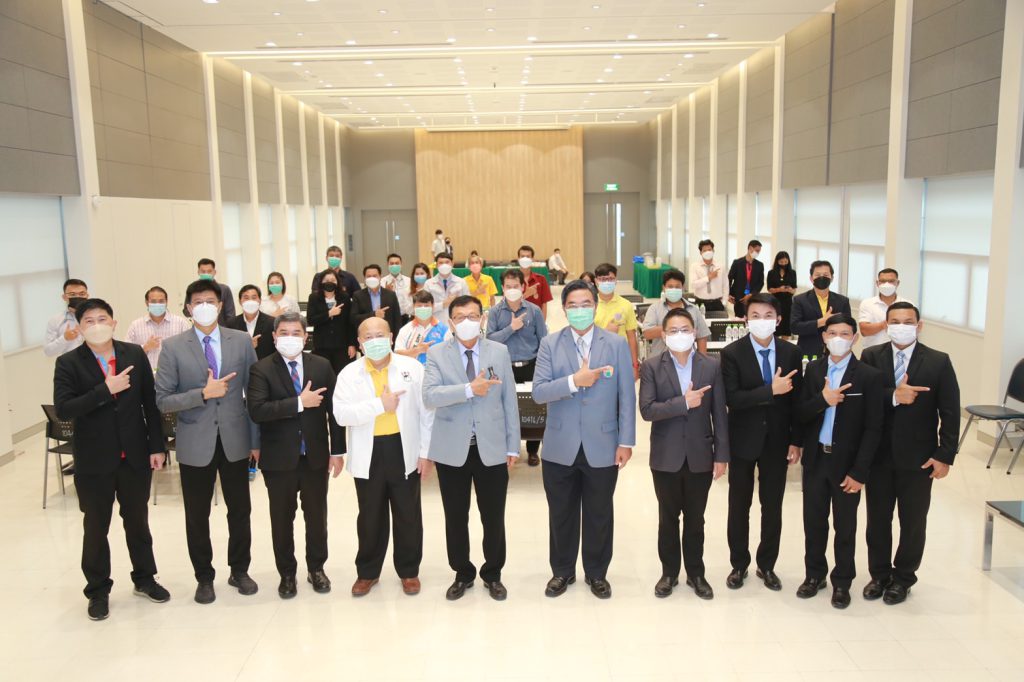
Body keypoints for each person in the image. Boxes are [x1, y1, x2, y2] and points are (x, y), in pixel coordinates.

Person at [53, 298, 169, 621]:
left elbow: (150, 403)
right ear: (79, 328)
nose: (96, 325)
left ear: (114, 323)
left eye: (102, 319)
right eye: (89, 321)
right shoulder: (68, 363)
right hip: (94, 460)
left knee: (138, 522)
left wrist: (156, 447)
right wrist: (105, 389)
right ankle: (97, 590)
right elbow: (64, 409)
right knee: (96, 527)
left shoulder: (133, 354)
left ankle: (145, 579)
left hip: (134, 456)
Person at [155, 279, 260, 605]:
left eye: (210, 301)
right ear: (188, 308)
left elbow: (255, 393)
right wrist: (202, 393)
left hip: (235, 439)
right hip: (195, 442)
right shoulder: (173, 347)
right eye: (197, 302)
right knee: (197, 515)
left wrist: (256, 440)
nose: (204, 307)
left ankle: (239, 570)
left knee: (240, 511)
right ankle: (204, 577)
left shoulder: (240, 341)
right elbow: (163, 400)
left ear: (220, 305)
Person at [532, 279, 636, 600]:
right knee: (561, 513)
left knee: (599, 513)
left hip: (603, 444)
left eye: (585, 304)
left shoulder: (615, 344)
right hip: (559, 446)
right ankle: (562, 571)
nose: (579, 310)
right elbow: (539, 392)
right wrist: (573, 381)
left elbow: (626, 396)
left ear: (595, 306)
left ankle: (597, 573)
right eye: (573, 305)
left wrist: (626, 441)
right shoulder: (550, 344)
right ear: (564, 310)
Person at [861, 302, 960, 605]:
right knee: (877, 519)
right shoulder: (871, 356)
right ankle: (879, 575)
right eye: (895, 321)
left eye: (907, 322)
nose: (901, 327)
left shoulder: (938, 361)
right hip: (878, 455)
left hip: (919, 458)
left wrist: (944, 455)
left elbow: (950, 411)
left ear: (919, 325)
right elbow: (864, 400)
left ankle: (903, 578)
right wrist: (893, 395)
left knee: (913, 521)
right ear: (886, 324)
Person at [423, 296, 520, 602]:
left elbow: (509, 400)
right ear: (450, 323)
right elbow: (430, 396)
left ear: (482, 319)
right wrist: (468, 389)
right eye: (460, 316)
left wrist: (513, 445)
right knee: (455, 516)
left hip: (491, 446)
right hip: (452, 448)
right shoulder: (437, 353)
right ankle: (462, 572)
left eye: (473, 315)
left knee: (493, 516)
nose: (467, 321)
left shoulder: (498, 351)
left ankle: (493, 573)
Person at [247, 313, 346, 599]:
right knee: (281, 519)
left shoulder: (321, 365)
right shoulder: (261, 368)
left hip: (315, 457)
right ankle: (287, 574)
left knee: (317, 517)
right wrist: (298, 403)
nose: (289, 338)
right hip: (278, 459)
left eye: (296, 333)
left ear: (305, 337)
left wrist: (337, 451)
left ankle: (317, 568)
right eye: (283, 332)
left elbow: (335, 412)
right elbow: (257, 410)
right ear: (274, 336)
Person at [334, 317, 433, 598]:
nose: (375, 340)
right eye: (368, 337)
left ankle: (409, 571)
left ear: (391, 337)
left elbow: (427, 413)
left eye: (380, 335)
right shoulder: (349, 374)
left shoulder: (412, 368)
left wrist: (425, 453)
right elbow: (341, 414)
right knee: (370, 516)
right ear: (359, 342)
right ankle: (368, 572)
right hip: (369, 451)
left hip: (404, 447)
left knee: (408, 513)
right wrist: (380, 405)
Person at [639, 307, 729, 600]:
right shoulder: (652, 366)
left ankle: (696, 573)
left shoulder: (710, 365)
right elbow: (647, 410)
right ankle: (669, 573)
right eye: (673, 331)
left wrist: (721, 455)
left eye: (685, 330)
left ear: (695, 332)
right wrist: (683, 402)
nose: (680, 335)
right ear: (664, 336)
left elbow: (719, 414)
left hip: (700, 454)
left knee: (695, 519)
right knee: (668, 518)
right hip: (665, 456)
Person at [796, 313, 883, 609]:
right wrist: (823, 400)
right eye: (832, 333)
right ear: (823, 337)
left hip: (847, 464)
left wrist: (860, 472)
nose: (838, 339)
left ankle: (842, 582)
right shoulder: (813, 370)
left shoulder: (869, 376)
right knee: (813, 522)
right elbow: (801, 413)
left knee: (845, 526)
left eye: (845, 334)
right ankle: (814, 575)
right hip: (816, 458)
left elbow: (874, 428)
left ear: (854, 338)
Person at [721, 293, 804, 592]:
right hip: (742, 439)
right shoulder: (732, 353)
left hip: (778, 441)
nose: (761, 321)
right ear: (745, 319)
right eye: (755, 315)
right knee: (738, 505)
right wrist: (771, 390)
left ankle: (766, 565)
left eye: (768, 315)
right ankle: (738, 564)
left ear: (779, 320)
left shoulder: (791, 353)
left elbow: (797, 401)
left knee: (772, 506)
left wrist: (796, 440)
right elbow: (733, 398)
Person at [487, 269, 548, 466]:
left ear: (523, 287)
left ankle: (532, 450)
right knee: (505, 407)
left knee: (534, 408)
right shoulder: (495, 312)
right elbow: (489, 340)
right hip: (505, 367)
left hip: (531, 365)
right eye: (508, 286)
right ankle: (508, 448)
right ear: (502, 288)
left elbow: (544, 340)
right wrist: (510, 329)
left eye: (516, 286)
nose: (512, 289)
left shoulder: (534, 311)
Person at [790, 260, 852, 359]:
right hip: (808, 353)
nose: (822, 277)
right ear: (811, 278)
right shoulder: (800, 300)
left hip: (836, 352)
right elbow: (795, 327)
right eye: (818, 275)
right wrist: (821, 322)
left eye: (826, 275)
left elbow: (849, 328)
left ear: (832, 278)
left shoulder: (842, 301)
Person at [641, 269, 711, 356]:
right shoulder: (654, 309)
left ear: (682, 288)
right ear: (664, 287)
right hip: (661, 359)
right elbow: (647, 333)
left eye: (677, 287)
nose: (674, 289)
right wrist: (672, 327)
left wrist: (702, 360)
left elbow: (702, 336)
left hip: (688, 359)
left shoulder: (693, 309)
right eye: (670, 287)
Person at [124, 286, 190, 369]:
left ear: (167, 302)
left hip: (175, 373)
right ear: (147, 303)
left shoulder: (181, 323)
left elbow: (190, 350)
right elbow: (126, 354)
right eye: (153, 301)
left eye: (161, 301)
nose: (157, 304)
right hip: (146, 374)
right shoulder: (135, 325)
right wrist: (145, 347)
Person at [593, 262, 640, 380]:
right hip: (596, 357)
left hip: (621, 357)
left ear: (616, 280)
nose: (607, 282)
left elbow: (631, 337)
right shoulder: (590, 305)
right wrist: (606, 332)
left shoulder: (626, 305)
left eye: (610, 279)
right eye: (602, 279)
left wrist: (634, 365)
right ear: (596, 281)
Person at [306, 270, 356, 375]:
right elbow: (311, 320)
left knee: (342, 374)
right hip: (321, 345)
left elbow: (350, 323)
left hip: (341, 345)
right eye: (326, 280)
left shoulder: (344, 297)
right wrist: (329, 314)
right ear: (321, 282)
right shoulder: (314, 298)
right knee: (323, 375)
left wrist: (352, 344)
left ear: (337, 282)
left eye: (333, 280)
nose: (330, 282)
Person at [858, 269, 911, 349]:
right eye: (883, 281)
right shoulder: (867, 303)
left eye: (891, 281)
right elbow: (864, 331)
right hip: (872, 351)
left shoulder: (908, 305)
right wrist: (885, 324)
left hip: (899, 351)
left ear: (897, 283)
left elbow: (910, 331)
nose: (887, 284)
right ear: (877, 283)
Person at [395, 290, 452, 365]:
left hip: (435, 371)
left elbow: (450, 357)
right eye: (419, 306)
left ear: (433, 306)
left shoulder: (444, 330)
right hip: (411, 371)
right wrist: (417, 350)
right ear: (414, 307)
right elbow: (397, 355)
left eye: (426, 306)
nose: (423, 308)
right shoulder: (405, 330)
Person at [349, 264, 402, 338]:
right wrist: (374, 314)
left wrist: (397, 339)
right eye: (369, 276)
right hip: (367, 337)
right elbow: (353, 318)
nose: (372, 278)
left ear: (380, 277)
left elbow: (397, 320)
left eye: (374, 276)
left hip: (386, 336)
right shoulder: (358, 295)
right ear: (364, 278)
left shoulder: (391, 295)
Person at [226, 285, 276, 360]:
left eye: (254, 298)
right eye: (246, 298)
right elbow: (229, 351)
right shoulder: (231, 324)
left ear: (260, 301)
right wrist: (247, 347)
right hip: (241, 365)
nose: (250, 301)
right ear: (240, 301)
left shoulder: (272, 322)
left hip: (265, 365)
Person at [181, 258, 235, 325]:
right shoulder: (192, 289)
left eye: (209, 271)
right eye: (203, 271)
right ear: (198, 272)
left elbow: (230, 314)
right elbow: (186, 311)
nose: (206, 274)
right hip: (199, 327)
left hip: (220, 328)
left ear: (214, 272)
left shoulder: (224, 289)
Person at [44, 278, 89, 357]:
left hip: (96, 362)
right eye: (72, 294)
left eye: (82, 294)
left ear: (87, 296)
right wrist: (65, 338)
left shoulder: (97, 317)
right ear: (64, 297)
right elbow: (48, 352)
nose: (77, 297)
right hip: (70, 363)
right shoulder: (56, 320)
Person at [424, 252, 469, 325]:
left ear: (452, 263)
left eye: (447, 262)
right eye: (441, 263)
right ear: (436, 265)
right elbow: (426, 308)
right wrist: (443, 304)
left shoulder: (461, 282)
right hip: (436, 325)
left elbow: (468, 304)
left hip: (457, 324)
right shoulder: (428, 284)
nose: (444, 265)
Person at [727, 240, 765, 317]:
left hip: (752, 297)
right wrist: (728, 294)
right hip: (739, 297)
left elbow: (760, 283)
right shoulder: (737, 263)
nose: (758, 253)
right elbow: (729, 279)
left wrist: (751, 294)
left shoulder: (760, 265)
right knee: (739, 320)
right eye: (757, 250)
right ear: (750, 248)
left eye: (759, 251)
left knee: (752, 318)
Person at [516, 245, 554, 318]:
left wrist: (542, 323)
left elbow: (544, 304)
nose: (525, 259)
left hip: (536, 320)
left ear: (532, 259)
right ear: (518, 259)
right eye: (522, 256)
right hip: (516, 320)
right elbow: (507, 304)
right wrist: (525, 295)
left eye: (528, 256)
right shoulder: (511, 280)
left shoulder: (541, 279)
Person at [766, 252, 797, 337]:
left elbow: (794, 290)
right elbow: (769, 289)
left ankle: (785, 343)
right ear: (777, 261)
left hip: (788, 303)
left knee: (786, 326)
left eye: (785, 262)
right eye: (781, 262)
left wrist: (790, 290)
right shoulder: (771, 273)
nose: (783, 264)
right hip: (775, 302)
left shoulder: (792, 273)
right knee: (775, 325)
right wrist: (779, 289)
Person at [690, 240, 726, 313]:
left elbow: (725, 285)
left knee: (718, 320)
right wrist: (708, 278)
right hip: (700, 302)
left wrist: (724, 302)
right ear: (700, 252)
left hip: (717, 303)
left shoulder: (720, 266)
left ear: (713, 250)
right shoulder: (695, 266)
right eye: (704, 250)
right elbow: (693, 284)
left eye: (709, 250)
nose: (707, 252)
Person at [381, 253, 413, 321]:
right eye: (391, 263)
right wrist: (386, 292)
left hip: (405, 317)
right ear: (388, 265)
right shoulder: (382, 282)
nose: (394, 265)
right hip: (388, 317)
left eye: (397, 263)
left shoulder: (409, 281)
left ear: (401, 264)